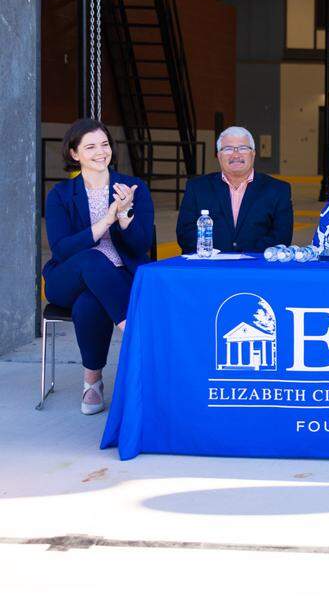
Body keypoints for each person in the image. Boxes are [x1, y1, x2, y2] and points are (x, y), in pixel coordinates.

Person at [43, 119, 154, 415]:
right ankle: (133, 329)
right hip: (67, 277)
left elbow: (142, 245)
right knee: (94, 258)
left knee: (90, 302)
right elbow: (62, 249)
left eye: (104, 144)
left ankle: (92, 381)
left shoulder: (133, 188)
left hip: (118, 276)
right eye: (90, 146)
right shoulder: (61, 195)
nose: (100, 152)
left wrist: (126, 215)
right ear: (74, 153)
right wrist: (106, 220)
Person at [176, 126, 293, 254]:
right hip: (210, 266)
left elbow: (282, 236)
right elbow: (185, 233)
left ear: (253, 154)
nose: (236, 155)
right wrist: (219, 257)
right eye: (228, 149)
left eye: (243, 148)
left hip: (257, 268)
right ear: (219, 155)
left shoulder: (278, 190)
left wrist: (245, 259)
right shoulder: (197, 187)